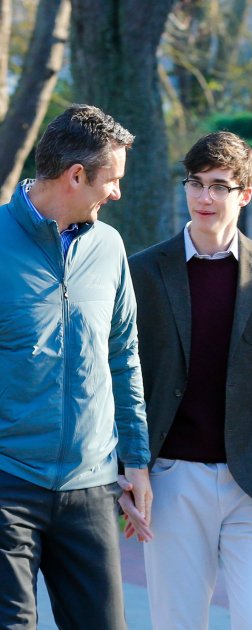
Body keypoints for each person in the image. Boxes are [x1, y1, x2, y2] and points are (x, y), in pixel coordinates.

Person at [126, 131, 252, 630]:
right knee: (177, 622)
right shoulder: (144, 271)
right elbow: (124, 378)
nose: (204, 198)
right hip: (172, 479)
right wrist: (130, 467)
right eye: (195, 183)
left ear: (245, 194)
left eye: (219, 186)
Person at [0, 104, 152, 629]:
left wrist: (136, 461)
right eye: (112, 180)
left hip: (90, 485)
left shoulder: (110, 247)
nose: (116, 193)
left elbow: (123, 355)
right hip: (8, 483)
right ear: (76, 176)